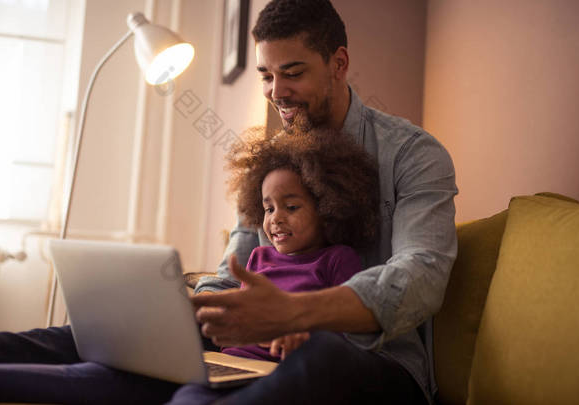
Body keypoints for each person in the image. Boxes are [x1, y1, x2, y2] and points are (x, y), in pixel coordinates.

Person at [189, 0, 458, 404]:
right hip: (265, 357)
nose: (276, 93)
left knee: (321, 354)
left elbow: (421, 278)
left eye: (293, 73)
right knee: (124, 342)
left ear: (338, 62)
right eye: (267, 76)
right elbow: (235, 268)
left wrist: (293, 312)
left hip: (379, 363)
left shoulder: (412, 154)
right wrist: (195, 307)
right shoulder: (271, 164)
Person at [218, 125, 379, 363]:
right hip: (235, 362)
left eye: (291, 207)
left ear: (327, 209)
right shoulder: (258, 257)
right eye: (268, 209)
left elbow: (345, 330)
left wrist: (304, 339)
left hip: (286, 367)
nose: (276, 218)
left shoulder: (338, 259)